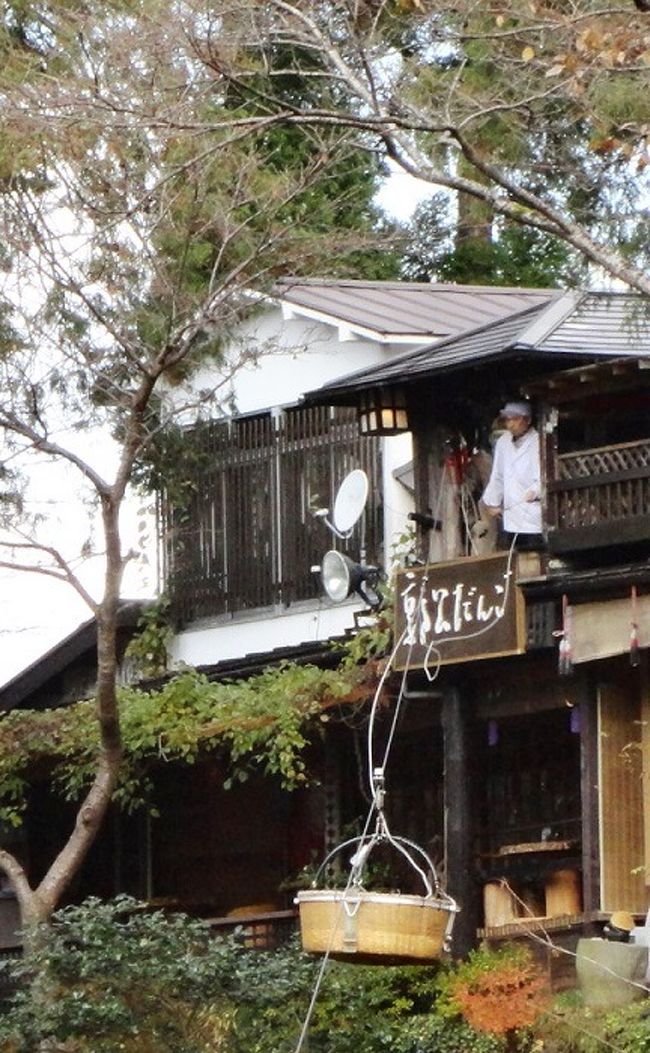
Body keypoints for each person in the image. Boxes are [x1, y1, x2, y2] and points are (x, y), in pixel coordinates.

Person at [481, 400, 543, 549]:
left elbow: (544, 477)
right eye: (508, 420)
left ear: (527, 420)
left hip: (533, 514)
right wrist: (492, 502)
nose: (511, 425)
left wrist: (534, 492)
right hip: (511, 515)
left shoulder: (538, 441)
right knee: (514, 554)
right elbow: (498, 475)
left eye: (515, 419)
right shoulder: (503, 442)